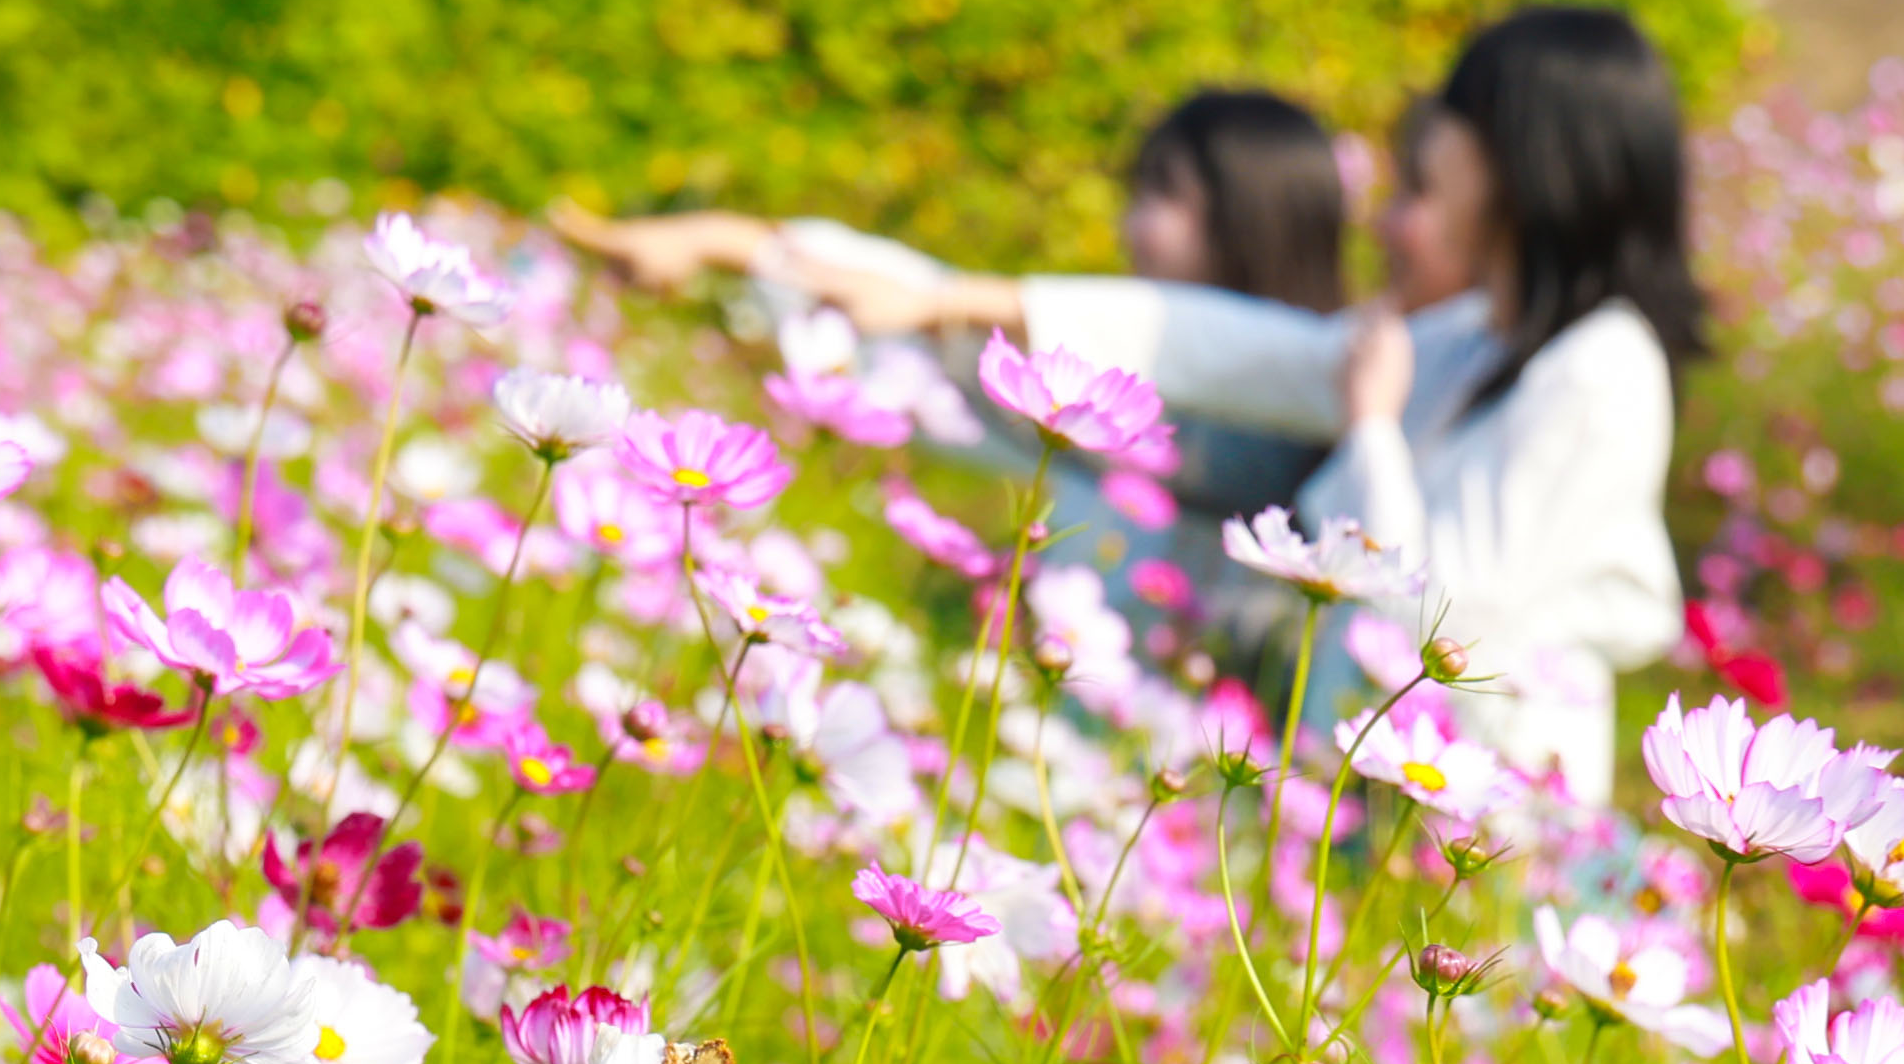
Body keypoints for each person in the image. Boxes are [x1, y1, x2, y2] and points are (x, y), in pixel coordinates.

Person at [635, 6, 1705, 801]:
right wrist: (952, 300)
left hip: (1474, 838)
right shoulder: (1482, 340)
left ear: (1522, 155)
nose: (1431, 150)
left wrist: (1373, 427)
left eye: (1456, 129)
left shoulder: (1600, 371)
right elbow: (1247, 353)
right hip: (1368, 792)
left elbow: (1453, 620)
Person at [551, 90, 1361, 673]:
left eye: (1165, 195)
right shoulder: (1114, 368)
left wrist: (737, 247)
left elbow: (945, 315)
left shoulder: (1315, 414)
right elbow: (925, 315)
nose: (1131, 223)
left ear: (1254, 216)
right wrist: (730, 245)